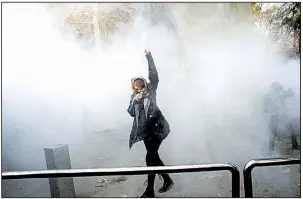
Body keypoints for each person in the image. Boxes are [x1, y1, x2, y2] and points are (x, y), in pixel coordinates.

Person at [127, 49, 174, 198]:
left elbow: (154, 75)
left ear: (145, 84)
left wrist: (149, 56)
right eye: (136, 85)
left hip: (158, 130)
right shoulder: (134, 97)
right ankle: (167, 180)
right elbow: (131, 113)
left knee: (150, 158)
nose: (138, 87)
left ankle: (150, 191)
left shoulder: (151, 91)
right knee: (154, 157)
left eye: (141, 84)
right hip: (146, 133)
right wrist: (135, 101)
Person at [263, 82, 300, 151]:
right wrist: (272, 110)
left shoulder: (281, 95)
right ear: (273, 89)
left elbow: (290, 94)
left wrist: (290, 91)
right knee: (272, 134)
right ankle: (270, 150)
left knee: (291, 129)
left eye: (279, 89)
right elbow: (265, 109)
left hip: (282, 115)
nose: (278, 90)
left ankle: (295, 145)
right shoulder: (267, 96)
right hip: (273, 116)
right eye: (277, 89)